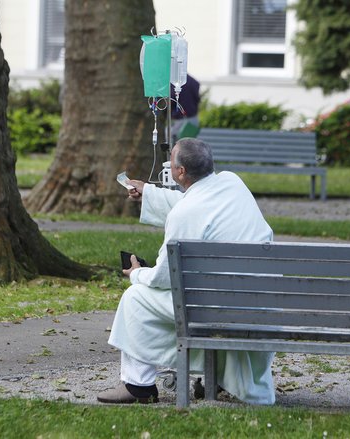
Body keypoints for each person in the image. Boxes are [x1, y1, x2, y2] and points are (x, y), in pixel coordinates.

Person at [97, 138, 275, 405]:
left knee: (136, 299)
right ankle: (215, 379)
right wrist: (149, 191)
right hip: (259, 301)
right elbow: (196, 204)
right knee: (205, 292)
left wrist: (136, 273)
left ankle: (137, 387)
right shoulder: (232, 183)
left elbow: (164, 278)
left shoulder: (184, 215)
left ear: (180, 172)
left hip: (218, 307)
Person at [170, 74, 201, 142]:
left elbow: (171, 99)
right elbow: (198, 99)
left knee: (175, 144)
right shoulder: (193, 81)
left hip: (179, 119)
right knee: (190, 145)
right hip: (193, 117)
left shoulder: (175, 82)